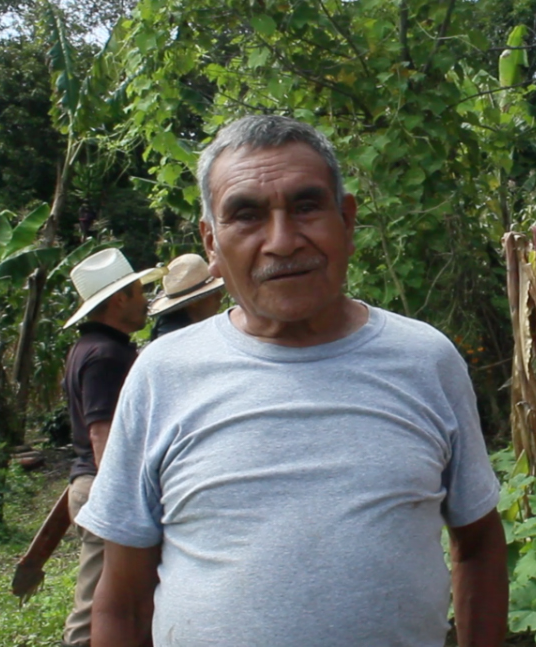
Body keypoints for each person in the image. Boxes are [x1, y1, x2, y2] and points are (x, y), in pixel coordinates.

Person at [75, 115, 508, 646]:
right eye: (247, 216)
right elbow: (123, 600)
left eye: (306, 206)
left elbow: (480, 546)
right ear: (212, 243)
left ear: (346, 220)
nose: (282, 242)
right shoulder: (163, 374)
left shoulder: (425, 360)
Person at [59, 247, 161, 646]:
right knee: (96, 607)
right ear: (119, 299)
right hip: (101, 483)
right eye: (138, 292)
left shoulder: (89, 347)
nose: (146, 301)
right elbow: (103, 435)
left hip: (90, 482)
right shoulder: (106, 354)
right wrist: (121, 501)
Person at [147, 253, 225, 340]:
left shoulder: (180, 329)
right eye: (213, 294)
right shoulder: (177, 339)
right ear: (194, 302)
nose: (220, 296)